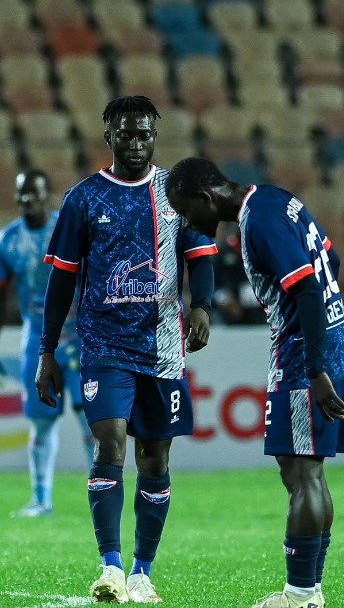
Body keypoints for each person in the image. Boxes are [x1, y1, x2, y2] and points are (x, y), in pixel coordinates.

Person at [36, 96, 217, 604]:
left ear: (154, 137)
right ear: (109, 135)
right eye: (126, 134)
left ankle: (142, 571)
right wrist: (48, 351)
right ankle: (111, 567)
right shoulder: (84, 199)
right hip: (104, 346)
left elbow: (201, 258)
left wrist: (201, 308)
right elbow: (61, 282)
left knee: (155, 458)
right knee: (110, 443)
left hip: (162, 350)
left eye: (145, 135)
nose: (136, 143)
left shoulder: (177, 194)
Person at [165, 157, 344, 608]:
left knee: (302, 473)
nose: (188, 222)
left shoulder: (259, 224)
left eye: (186, 211)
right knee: (304, 470)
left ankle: (300, 594)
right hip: (333, 339)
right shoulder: (276, 199)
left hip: (306, 355)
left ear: (206, 199)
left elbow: (308, 288)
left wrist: (315, 368)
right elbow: (330, 257)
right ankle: (310, 591)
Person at [1, 169, 94, 517]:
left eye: (34, 194)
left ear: (46, 195)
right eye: (22, 194)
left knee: (92, 421)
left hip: (80, 337)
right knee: (41, 421)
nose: (28, 200)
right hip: (37, 342)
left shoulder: (69, 229)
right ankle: (41, 499)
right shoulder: (8, 241)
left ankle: (100, 493)